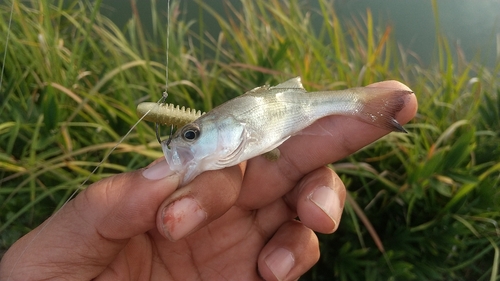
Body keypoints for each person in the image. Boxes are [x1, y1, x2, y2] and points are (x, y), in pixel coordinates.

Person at [0, 81, 417, 281]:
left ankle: (364, 105)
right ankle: (365, 106)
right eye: (189, 135)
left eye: (192, 134)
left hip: (289, 115)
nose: (181, 144)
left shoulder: (247, 130)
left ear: (230, 129)